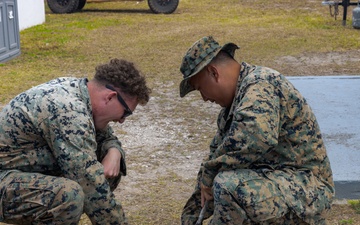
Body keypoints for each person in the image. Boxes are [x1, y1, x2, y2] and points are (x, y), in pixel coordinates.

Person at [178, 36, 335, 225]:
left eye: (200, 88)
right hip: (276, 183)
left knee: (228, 186)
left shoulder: (261, 84)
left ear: (213, 72)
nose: (204, 98)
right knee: (225, 183)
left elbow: (255, 138)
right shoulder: (231, 109)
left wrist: (211, 174)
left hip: (309, 189)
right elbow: (213, 162)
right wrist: (190, 217)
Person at [0, 58, 151, 225]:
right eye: (126, 112)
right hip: (3, 176)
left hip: (17, 173)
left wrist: (114, 153)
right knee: (68, 196)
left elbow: (107, 139)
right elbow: (88, 181)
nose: (122, 120)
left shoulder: (82, 94)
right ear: (110, 97)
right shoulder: (68, 110)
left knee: (104, 165)